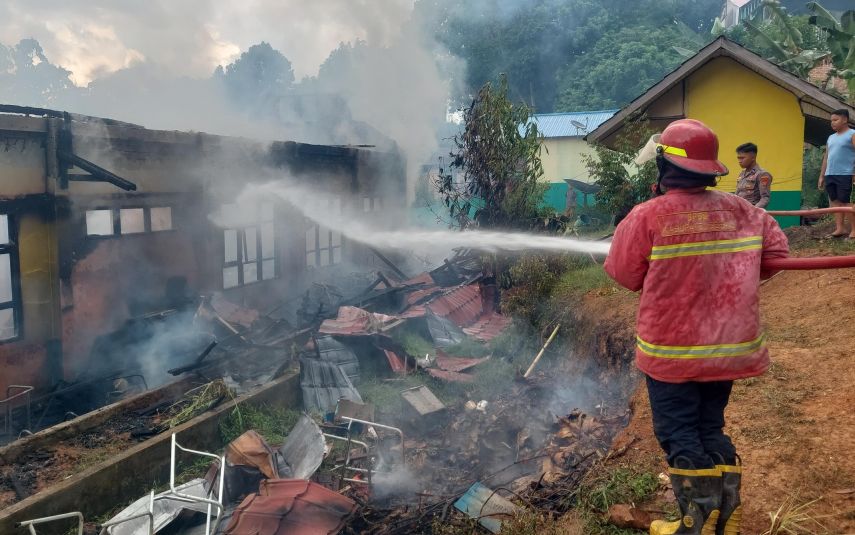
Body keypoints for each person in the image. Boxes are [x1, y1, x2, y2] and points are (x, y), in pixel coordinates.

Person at [604, 119, 789, 535]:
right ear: (710, 168)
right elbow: (777, 255)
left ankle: (695, 523)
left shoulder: (647, 216)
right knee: (710, 427)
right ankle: (727, 516)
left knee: (679, 432)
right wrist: (732, 276)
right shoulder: (743, 210)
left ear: (665, 166)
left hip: (672, 354)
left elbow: (625, 275)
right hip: (726, 350)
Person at [818, 109, 855, 238]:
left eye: (835, 120)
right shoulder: (831, 137)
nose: (832, 123)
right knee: (835, 202)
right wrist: (822, 175)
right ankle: (840, 228)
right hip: (830, 174)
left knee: (846, 202)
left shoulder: (852, 134)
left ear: (845, 120)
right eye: (831, 121)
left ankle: (854, 229)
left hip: (846, 174)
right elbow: (826, 157)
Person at [734, 142, 772, 209]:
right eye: (738, 158)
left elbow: (765, 198)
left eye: (742, 158)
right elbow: (736, 195)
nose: (739, 161)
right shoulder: (742, 174)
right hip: (739, 212)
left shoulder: (762, 174)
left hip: (751, 214)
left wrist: (753, 211)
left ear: (753, 158)